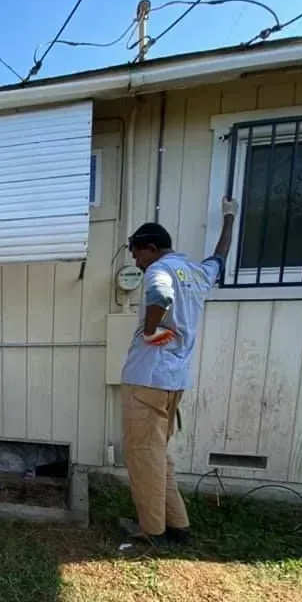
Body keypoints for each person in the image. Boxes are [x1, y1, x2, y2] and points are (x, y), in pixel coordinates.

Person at [120, 197, 237, 546]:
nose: (136, 262)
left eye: (136, 254)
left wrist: (152, 331)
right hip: (174, 382)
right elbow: (220, 257)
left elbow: (159, 295)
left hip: (147, 380)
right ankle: (177, 524)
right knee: (158, 454)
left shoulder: (159, 271)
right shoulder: (196, 272)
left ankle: (151, 531)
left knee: (143, 456)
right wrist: (229, 218)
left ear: (151, 249)